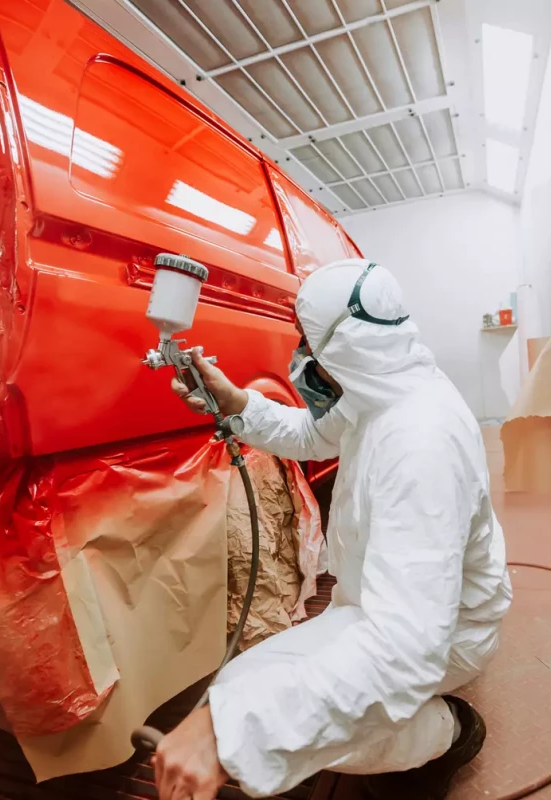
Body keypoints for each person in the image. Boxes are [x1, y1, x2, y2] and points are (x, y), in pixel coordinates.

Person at [152, 259, 513, 800]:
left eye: (307, 343)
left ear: (345, 345)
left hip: (444, 635)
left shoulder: (420, 445)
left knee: (303, 732)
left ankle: (451, 731)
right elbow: (315, 435)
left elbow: (408, 648)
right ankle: (415, 726)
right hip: (377, 605)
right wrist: (238, 404)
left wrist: (233, 734)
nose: (300, 358)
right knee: (240, 690)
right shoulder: (385, 390)